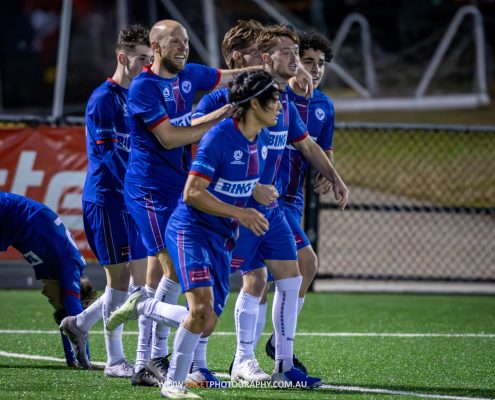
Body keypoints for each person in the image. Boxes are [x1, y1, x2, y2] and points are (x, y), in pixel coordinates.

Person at [107, 69, 281, 399]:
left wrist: (253, 193)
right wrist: (239, 212)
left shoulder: (260, 140)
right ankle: (173, 383)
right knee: (199, 310)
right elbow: (191, 192)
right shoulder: (219, 138)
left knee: (207, 321)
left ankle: (146, 305)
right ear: (254, 103)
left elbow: (234, 184)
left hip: (220, 237)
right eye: (273, 99)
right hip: (191, 231)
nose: (279, 105)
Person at [193, 25, 348, 387]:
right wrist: (252, 186)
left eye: (300, 53)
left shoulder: (284, 101)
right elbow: (200, 151)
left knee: (292, 274)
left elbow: (306, 144)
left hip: (272, 208)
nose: (297, 60)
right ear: (264, 58)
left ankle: (281, 366)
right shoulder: (228, 100)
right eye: (289, 53)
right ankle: (194, 360)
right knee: (210, 285)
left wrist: (336, 178)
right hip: (232, 209)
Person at [124, 19, 263, 384]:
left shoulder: (191, 75)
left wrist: (274, 68)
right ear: (155, 47)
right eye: (174, 42)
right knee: (172, 271)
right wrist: (218, 118)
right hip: (150, 191)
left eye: (185, 41)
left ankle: (149, 360)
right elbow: (169, 138)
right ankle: (150, 355)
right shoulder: (143, 87)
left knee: (176, 278)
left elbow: (231, 75)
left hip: (178, 187)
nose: (182, 47)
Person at [58, 24, 156, 382]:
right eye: (142, 58)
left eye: (151, 59)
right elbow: (110, 156)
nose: (148, 65)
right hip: (108, 201)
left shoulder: (140, 97)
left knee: (141, 286)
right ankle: (116, 360)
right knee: (119, 283)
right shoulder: (103, 98)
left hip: (131, 201)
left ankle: (79, 324)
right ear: (122, 58)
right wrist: (138, 189)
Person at [0, 191, 95, 369]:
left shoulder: (69, 267)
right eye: (51, 298)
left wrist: (72, 362)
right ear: (64, 290)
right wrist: (85, 361)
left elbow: (68, 322)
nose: (43, 292)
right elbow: (73, 316)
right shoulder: (70, 265)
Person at [264, 29, 336, 366]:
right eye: (307, 60)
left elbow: (323, 149)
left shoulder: (324, 105)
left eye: (320, 63)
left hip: (293, 199)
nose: (314, 68)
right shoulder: (276, 95)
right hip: (269, 196)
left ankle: (271, 348)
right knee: (304, 264)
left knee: (286, 272)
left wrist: (327, 172)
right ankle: (280, 351)